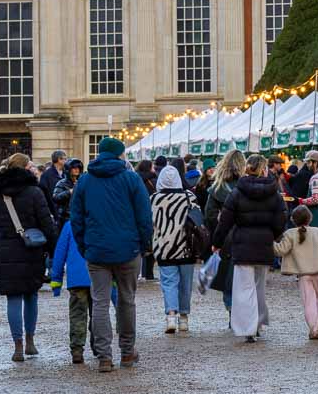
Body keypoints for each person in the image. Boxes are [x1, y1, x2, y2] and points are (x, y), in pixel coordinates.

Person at [70, 136, 153, 373]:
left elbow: (76, 218)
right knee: (127, 301)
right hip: (128, 249)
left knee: (99, 303)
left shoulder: (85, 181)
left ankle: (104, 356)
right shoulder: (131, 178)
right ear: (120, 155)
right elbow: (144, 216)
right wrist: (143, 244)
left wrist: (84, 247)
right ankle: (127, 352)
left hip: (96, 250)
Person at [0, 154, 58, 362]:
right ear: (25, 168)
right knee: (31, 296)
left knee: (13, 299)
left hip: (5, 249)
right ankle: (30, 341)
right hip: (31, 248)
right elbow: (47, 224)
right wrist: (54, 250)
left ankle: (17, 344)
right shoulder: (35, 192)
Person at [213, 154, 287, 343]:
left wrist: (217, 242)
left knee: (244, 288)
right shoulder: (274, 192)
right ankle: (258, 322)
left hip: (242, 243)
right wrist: (274, 235)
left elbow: (225, 221)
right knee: (259, 286)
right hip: (263, 243)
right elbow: (281, 219)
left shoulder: (237, 193)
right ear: (263, 169)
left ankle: (248, 326)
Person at [273, 205, 318, 339]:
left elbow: (280, 250)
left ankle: (315, 328)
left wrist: (270, 242)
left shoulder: (290, 234)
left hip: (303, 274)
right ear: (310, 218)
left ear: (293, 220)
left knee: (309, 301)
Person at [151, 166, 199, 334]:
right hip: (187, 247)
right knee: (186, 285)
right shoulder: (189, 197)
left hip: (165, 248)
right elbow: (199, 221)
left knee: (169, 283)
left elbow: (150, 224)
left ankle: (171, 316)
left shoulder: (154, 199)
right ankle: (184, 319)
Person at [50, 210, 95, 365]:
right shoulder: (99, 223)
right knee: (99, 314)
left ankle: (77, 350)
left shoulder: (69, 226)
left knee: (77, 315)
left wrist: (56, 281)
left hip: (76, 279)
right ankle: (99, 345)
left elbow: (59, 254)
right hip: (98, 276)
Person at [205, 149, 245, 314]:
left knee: (227, 277)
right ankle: (241, 314)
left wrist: (217, 237)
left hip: (226, 237)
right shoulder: (250, 185)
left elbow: (209, 215)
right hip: (246, 236)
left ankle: (231, 310)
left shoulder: (217, 188)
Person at [51, 158, 84, 231]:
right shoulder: (62, 183)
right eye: (74, 168)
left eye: (78, 168)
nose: (77, 170)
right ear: (68, 169)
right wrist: (69, 192)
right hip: (66, 218)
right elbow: (56, 197)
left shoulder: (82, 181)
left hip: (80, 217)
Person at [40, 150, 67, 215]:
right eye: (65, 159)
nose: (66, 161)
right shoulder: (46, 175)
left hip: (65, 209)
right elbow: (44, 194)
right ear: (59, 159)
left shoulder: (66, 173)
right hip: (52, 209)